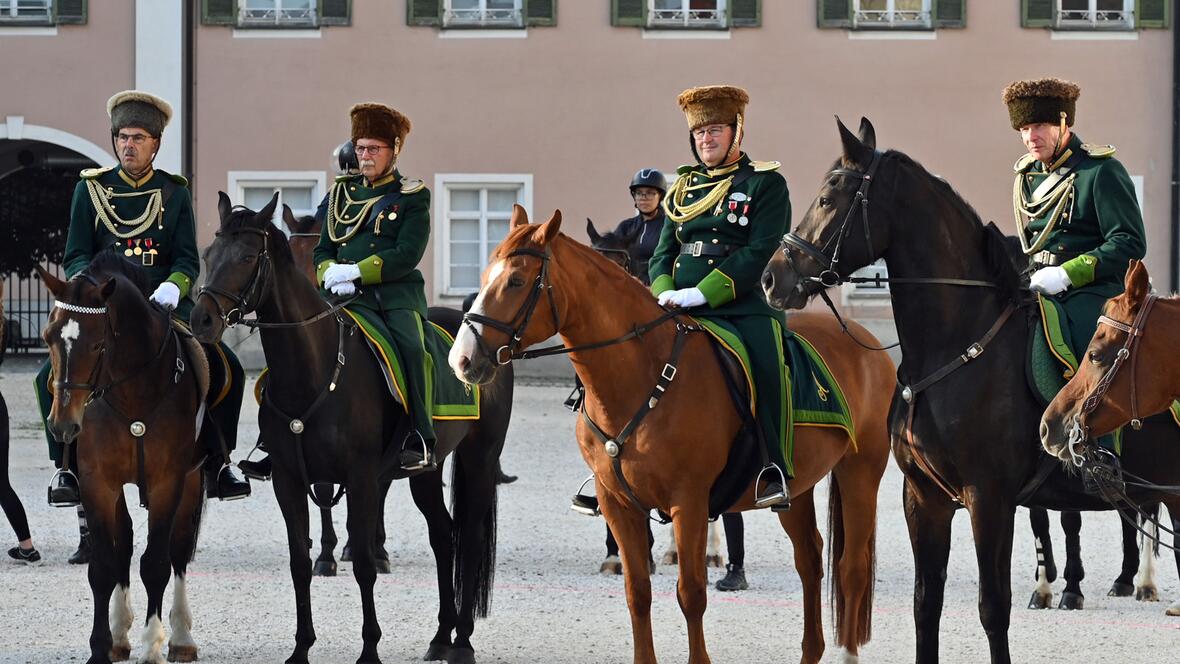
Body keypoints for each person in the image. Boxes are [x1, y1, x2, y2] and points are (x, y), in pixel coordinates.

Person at [35, 90, 251, 512]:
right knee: (48, 374)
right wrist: (89, 284)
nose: (128, 146)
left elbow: (187, 258)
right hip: (104, 303)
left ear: (155, 143)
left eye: (137, 138)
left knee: (230, 370)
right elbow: (76, 253)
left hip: (163, 304)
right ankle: (64, 466)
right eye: (122, 138)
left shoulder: (173, 194)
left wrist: (175, 283)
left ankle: (219, 463)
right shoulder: (92, 191)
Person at [649, 85, 793, 511]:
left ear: (737, 131)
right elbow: (661, 255)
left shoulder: (766, 184)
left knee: (768, 367)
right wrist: (664, 294)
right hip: (676, 302)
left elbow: (760, 250)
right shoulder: (683, 187)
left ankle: (775, 466)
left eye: (714, 130)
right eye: (699, 134)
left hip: (743, 304)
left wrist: (702, 293)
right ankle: (614, 463)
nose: (706, 140)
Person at [1004, 77, 1147, 493]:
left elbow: (1129, 242)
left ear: (1064, 122)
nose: (1032, 137)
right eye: (1024, 129)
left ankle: (1101, 451)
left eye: (1041, 126)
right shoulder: (1028, 176)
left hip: (1092, 289)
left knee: (1095, 345)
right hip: (1037, 283)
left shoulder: (1100, 171)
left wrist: (1068, 273)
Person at [312, 102, 436, 472]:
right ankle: (275, 434)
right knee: (297, 334)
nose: (365, 157)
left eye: (373, 149)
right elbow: (323, 249)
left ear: (393, 151)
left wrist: (357, 273)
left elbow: (407, 253)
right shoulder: (340, 195)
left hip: (394, 296)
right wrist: (328, 272)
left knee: (414, 349)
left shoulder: (412, 196)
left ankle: (421, 435)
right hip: (340, 295)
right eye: (360, 148)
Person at [613, 169, 668, 280]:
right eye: (639, 193)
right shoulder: (625, 227)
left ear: (660, 196)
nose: (643, 197)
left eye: (650, 193)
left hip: (658, 288)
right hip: (629, 287)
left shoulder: (669, 226)